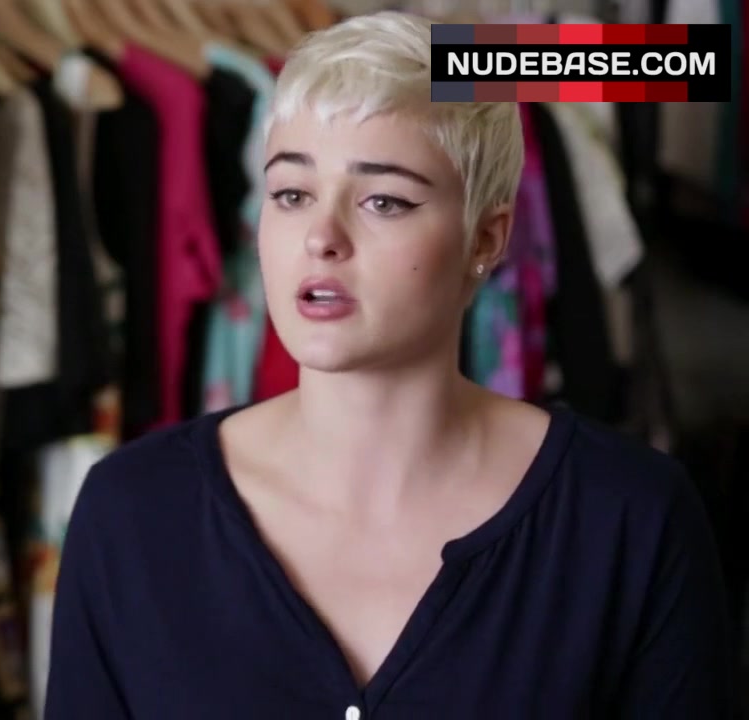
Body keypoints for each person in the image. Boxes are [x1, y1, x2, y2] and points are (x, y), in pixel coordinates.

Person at [43, 10, 733, 719]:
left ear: (485, 239)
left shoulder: (630, 520)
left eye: (384, 200)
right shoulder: (132, 516)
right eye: (292, 194)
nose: (321, 237)